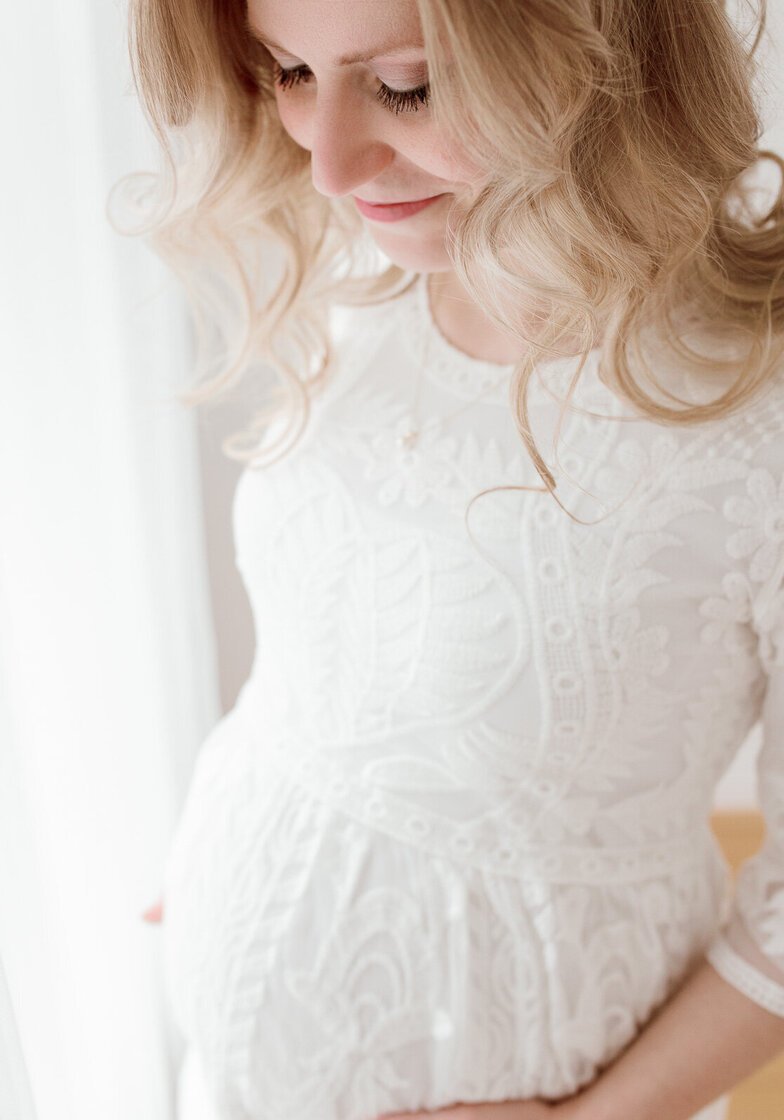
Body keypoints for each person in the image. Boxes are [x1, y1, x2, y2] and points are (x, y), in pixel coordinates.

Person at [123, 1, 784, 1118]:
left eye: (406, 86)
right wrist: (253, 832)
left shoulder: (754, 421)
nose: (328, 164)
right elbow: (336, 640)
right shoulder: (374, 255)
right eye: (288, 72)